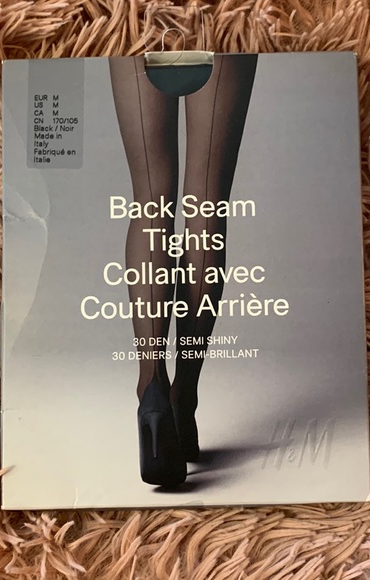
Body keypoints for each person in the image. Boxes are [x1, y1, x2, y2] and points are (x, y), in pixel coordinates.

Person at [109, 53, 258, 486]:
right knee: (206, 202)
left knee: (150, 198)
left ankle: (152, 388)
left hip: (141, 29)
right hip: (219, 30)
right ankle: (183, 399)